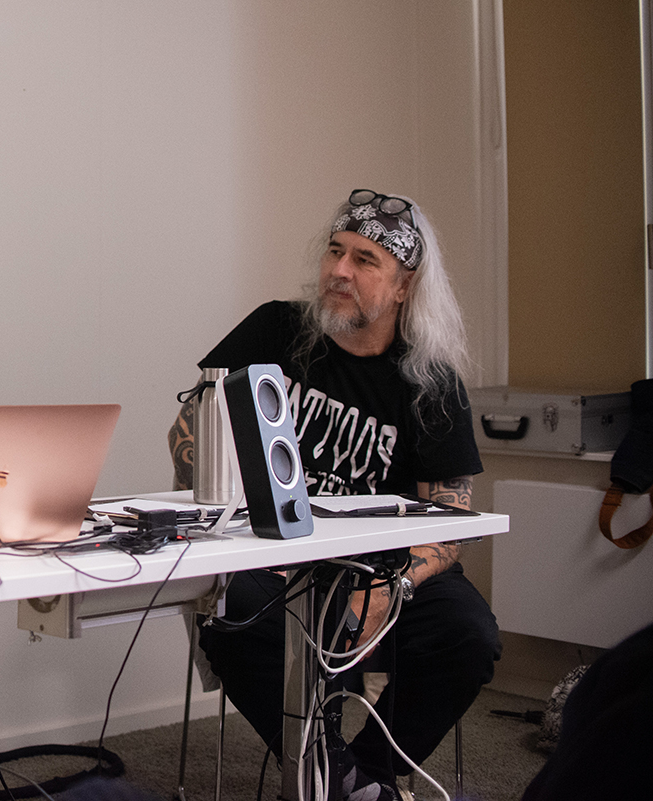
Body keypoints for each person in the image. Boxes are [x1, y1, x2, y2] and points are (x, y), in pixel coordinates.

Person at [168, 190, 501, 800]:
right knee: (231, 609)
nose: (339, 270)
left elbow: (450, 517)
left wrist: (392, 588)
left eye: (365, 260)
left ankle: (361, 773)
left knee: (467, 635)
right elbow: (189, 431)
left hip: (383, 568)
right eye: (334, 251)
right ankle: (344, 782)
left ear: (404, 287)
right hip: (269, 552)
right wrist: (219, 494)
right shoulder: (275, 329)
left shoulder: (431, 381)